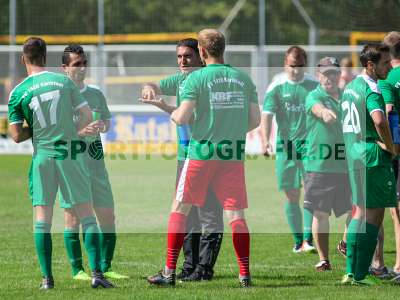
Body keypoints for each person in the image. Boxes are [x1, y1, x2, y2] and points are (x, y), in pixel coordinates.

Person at [146, 29, 260, 287]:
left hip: (200, 153)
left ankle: (168, 272)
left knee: (180, 209)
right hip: (231, 156)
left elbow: (182, 117)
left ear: (202, 51)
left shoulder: (196, 80)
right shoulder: (244, 79)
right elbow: (254, 121)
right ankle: (244, 274)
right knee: (236, 214)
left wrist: (168, 110)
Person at [7, 37, 114, 289]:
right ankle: (97, 275)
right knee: (87, 214)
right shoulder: (64, 81)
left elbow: (15, 135)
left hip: (43, 157)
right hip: (70, 153)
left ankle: (47, 280)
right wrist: (68, 128)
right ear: (45, 56)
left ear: (24, 59)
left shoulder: (18, 91)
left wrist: (36, 130)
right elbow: (87, 116)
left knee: (42, 218)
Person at [140, 38, 224, 281]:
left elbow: (191, 118)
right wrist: (149, 88)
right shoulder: (179, 80)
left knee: (208, 214)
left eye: (187, 56)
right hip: (184, 157)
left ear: (200, 56)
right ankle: (189, 267)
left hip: (206, 156)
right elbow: (154, 84)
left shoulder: (209, 82)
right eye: (179, 57)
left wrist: (166, 108)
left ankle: (204, 269)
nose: (182, 61)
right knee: (187, 215)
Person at [61, 44, 128, 280]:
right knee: (72, 217)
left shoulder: (96, 94)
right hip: (71, 164)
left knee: (108, 216)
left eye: (84, 63)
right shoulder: (61, 95)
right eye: (76, 64)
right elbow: (57, 133)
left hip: (97, 164)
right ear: (65, 68)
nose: (81, 68)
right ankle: (77, 269)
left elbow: (107, 122)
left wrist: (102, 125)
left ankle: (106, 266)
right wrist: (80, 131)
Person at [341, 43, 396, 285]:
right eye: (385, 63)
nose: (390, 66)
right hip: (372, 155)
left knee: (359, 213)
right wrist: (391, 146)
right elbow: (379, 119)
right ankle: (362, 275)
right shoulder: (372, 89)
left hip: (353, 153)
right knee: (374, 216)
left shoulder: (351, 86)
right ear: (371, 65)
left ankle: (350, 272)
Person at [261, 46, 318, 253]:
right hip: (285, 148)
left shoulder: (314, 85)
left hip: (311, 147)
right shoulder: (276, 86)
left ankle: (308, 239)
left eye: (300, 65)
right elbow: (266, 114)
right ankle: (297, 241)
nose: (296, 70)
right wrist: (265, 140)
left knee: (311, 192)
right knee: (291, 194)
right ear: (286, 64)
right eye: (292, 66)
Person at [303, 57, 352, 271]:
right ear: (318, 75)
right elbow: (316, 108)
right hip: (319, 166)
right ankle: (324, 259)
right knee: (320, 213)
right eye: (325, 73)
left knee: (358, 208)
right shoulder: (314, 95)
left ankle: (345, 243)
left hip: (346, 165)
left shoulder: (348, 96)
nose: (329, 77)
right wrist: (324, 113)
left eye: (333, 73)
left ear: (339, 75)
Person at [369, 31, 400, 280]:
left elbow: (387, 114)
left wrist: (389, 146)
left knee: (389, 209)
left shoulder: (387, 80)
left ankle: (389, 264)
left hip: (392, 150)